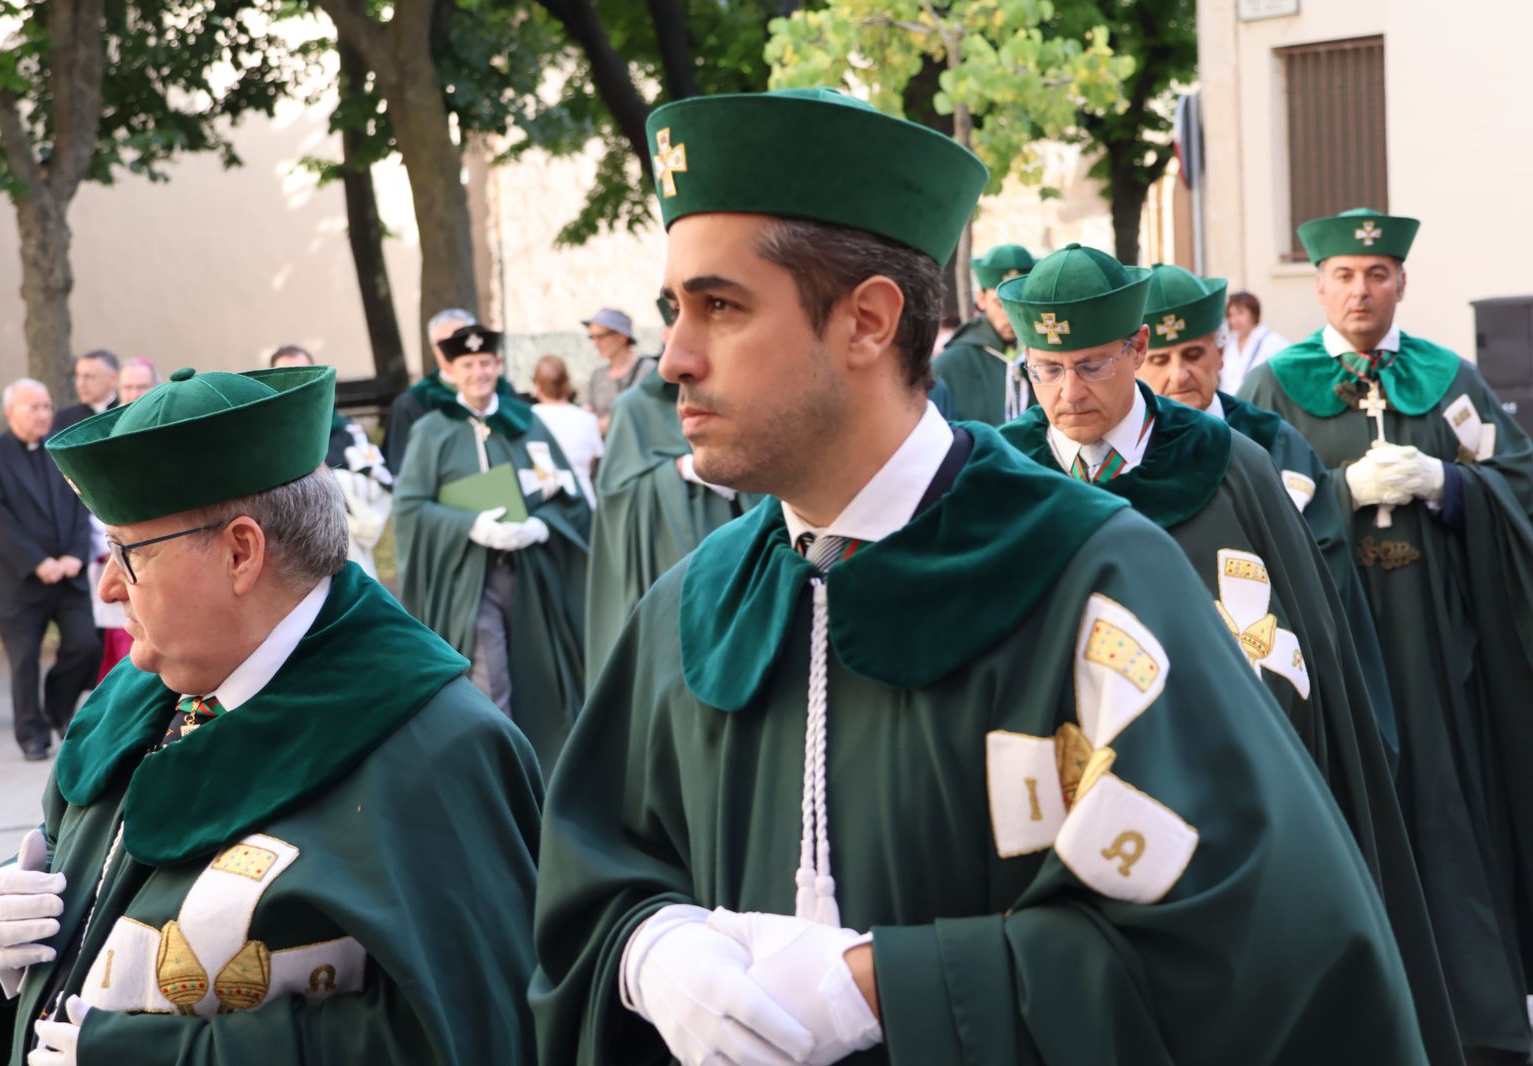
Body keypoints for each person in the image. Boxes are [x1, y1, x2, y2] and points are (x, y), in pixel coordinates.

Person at [530, 88, 1427, 1066]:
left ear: (868, 322)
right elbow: (598, 876)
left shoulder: (1091, 578)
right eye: (673, 310)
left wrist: (886, 984)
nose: (674, 360)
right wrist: (647, 949)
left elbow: (1252, 949)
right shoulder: (687, 610)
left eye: (720, 307)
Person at [0, 364, 543, 1066]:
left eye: (127, 553)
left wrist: (159, 1056)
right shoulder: (129, 700)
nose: (106, 585)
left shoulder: (438, 753)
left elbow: (472, 1033)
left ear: (240, 552)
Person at [995, 245, 1457, 1064]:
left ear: (1135, 350)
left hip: (1228, 808)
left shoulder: (1230, 467)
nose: (1067, 396)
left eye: (1092, 366)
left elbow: (1310, 649)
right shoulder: (1002, 477)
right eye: (1046, 370)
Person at [1239, 208, 1533, 1064]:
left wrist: (1451, 485)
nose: (1359, 291)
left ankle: (1478, 1026)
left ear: (1400, 282)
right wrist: (1337, 491)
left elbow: (1518, 486)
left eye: (1375, 275)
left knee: (1450, 823)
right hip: (1335, 647)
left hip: (1441, 657)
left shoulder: (1449, 382)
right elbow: (1252, 507)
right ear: (1318, 284)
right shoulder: (1273, 388)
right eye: (1341, 276)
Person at [1134, 262, 1399, 763]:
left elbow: (1322, 564)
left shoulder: (1268, 441)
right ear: (1136, 360)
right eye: (1161, 359)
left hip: (1274, 681)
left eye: (1193, 354)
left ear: (1220, 351)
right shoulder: (1125, 456)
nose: (1179, 375)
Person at [392, 324, 590, 773]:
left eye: (485, 363)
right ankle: (501, 778)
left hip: (529, 579)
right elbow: (409, 508)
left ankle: (551, 774)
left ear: (499, 366)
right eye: (467, 365)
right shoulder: (433, 431)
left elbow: (570, 496)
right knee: (490, 680)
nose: (478, 373)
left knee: (539, 677)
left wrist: (542, 526)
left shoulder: (527, 423)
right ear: (450, 370)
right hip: (470, 581)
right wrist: (470, 525)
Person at [582, 299, 750, 687]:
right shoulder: (634, 407)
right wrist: (677, 471)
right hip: (666, 558)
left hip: (732, 548)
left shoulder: (734, 395)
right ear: (665, 336)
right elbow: (616, 493)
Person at [0, 379, 99, 761]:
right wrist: (37, 562)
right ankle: (32, 734)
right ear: (11, 412)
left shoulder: (60, 447)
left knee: (85, 646)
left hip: (68, 573)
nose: (45, 414)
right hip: (17, 580)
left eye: (47, 406)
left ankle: (58, 710)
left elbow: (82, 500)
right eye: (35, 407)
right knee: (24, 659)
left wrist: (76, 555)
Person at [270, 345, 393, 578]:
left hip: (347, 552)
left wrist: (333, 483)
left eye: (304, 374)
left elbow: (378, 483)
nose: (298, 385)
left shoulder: (348, 432)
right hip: (288, 560)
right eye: (287, 377)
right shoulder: (269, 439)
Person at [930, 243, 1035, 423]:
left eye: (1019, 303)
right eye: (1000, 304)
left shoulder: (1045, 356)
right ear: (981, 299)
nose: (1011, 315)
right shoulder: (949, 365)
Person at [382, 308, 476, 473]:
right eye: (442, 343)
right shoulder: (411, 403)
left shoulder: (500, 394)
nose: (449, 349)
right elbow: (401, 469)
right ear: (433, 349)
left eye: (457, 340)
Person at [530, 355, 604, 508]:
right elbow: (593, 464)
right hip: (584, 499)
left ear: (537, 386)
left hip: (546, 502)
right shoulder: (587, 419)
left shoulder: (529, 417)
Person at [583, 308, 655, 435]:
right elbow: (587, 412)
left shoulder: (648, 370)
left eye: (600, 336)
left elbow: (645, 414)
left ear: (622, 336)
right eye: (592, 337)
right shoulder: (598, 375)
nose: (595, 343)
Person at [1218, 291, 1290, 395]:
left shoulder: (1272, 340)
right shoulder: (1229, 344)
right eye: (1231, 315)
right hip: (1229, 407)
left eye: (1240, 313)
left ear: (1253, 313)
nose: (1235, 319)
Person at [51, 350, 120, 433]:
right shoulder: (65, 418)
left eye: (88, 377)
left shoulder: (124, 411)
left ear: (112, 378)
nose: (81, 384)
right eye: (78, 376)